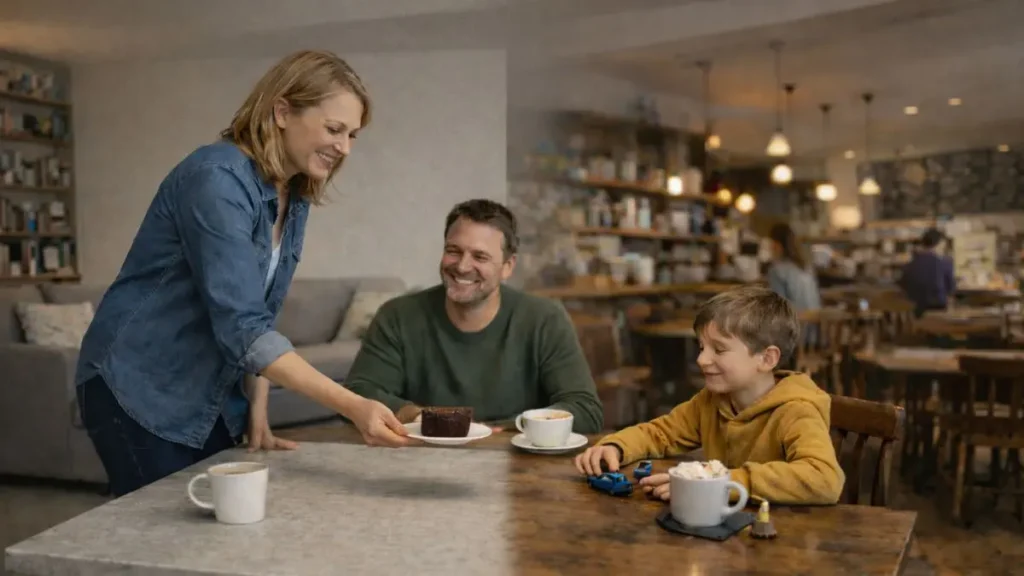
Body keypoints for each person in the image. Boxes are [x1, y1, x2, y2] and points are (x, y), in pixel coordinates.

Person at [76, 50, 409, 497]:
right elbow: (242, 326)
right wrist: (353, 405)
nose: (345, 148)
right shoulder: (216, 179)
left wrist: (257, 404)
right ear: (283, 112)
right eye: (334, 129)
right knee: (159, 530)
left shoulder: (295, 195)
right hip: (138, 385)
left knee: (216, 523)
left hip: (206, 397)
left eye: (352, 135)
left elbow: (259, 311)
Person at [343, 199, 604, 434]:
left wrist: (505, 429)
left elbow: (585, 410)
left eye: (480, 256)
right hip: (421, 457)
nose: (462, 266)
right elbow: (358, 394)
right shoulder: (397, 316)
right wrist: (420, 417)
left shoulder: (545, 319)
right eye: (453, 250)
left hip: (515, 457)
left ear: (507, 267)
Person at [574, 285, 844, 505]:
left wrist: (717, 482)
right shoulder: (711, 402)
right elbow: (661, 433)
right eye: (702, 347)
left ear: (766, 358)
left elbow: (824, 479)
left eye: (719, 349)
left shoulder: (796, 410)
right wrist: (616, 446)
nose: (702, 360)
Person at [898, 227, 956, 317]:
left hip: (915, 312)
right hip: (938, 310)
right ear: (940, 244)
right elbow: (951, 288)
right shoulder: (945, 263)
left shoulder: (909, 265)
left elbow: (903, 285)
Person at [766, 223, 821, 312]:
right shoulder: (806, 267)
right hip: (816, 319)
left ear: (777, 245)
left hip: (795, 319)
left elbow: (779, 309)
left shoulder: (776, 271)